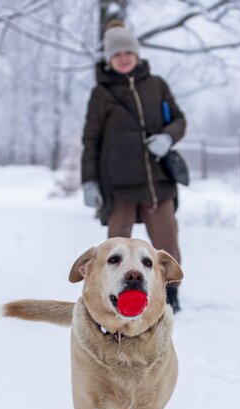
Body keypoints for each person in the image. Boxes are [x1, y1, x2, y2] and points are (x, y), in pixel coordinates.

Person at [81, 21, 186, 313]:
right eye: (117, 54)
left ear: (137, 54)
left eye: (128, 52)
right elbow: (91, 140)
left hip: (156, 182)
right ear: (109, 59)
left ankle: (170, 295)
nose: (124, 58)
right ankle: (116, 294)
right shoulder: (101, 93)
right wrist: (88, 180)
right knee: (116, 249)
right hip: (118, 186)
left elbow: (179, 120)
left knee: (166, 244)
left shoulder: (157, 85)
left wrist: (168, 137)